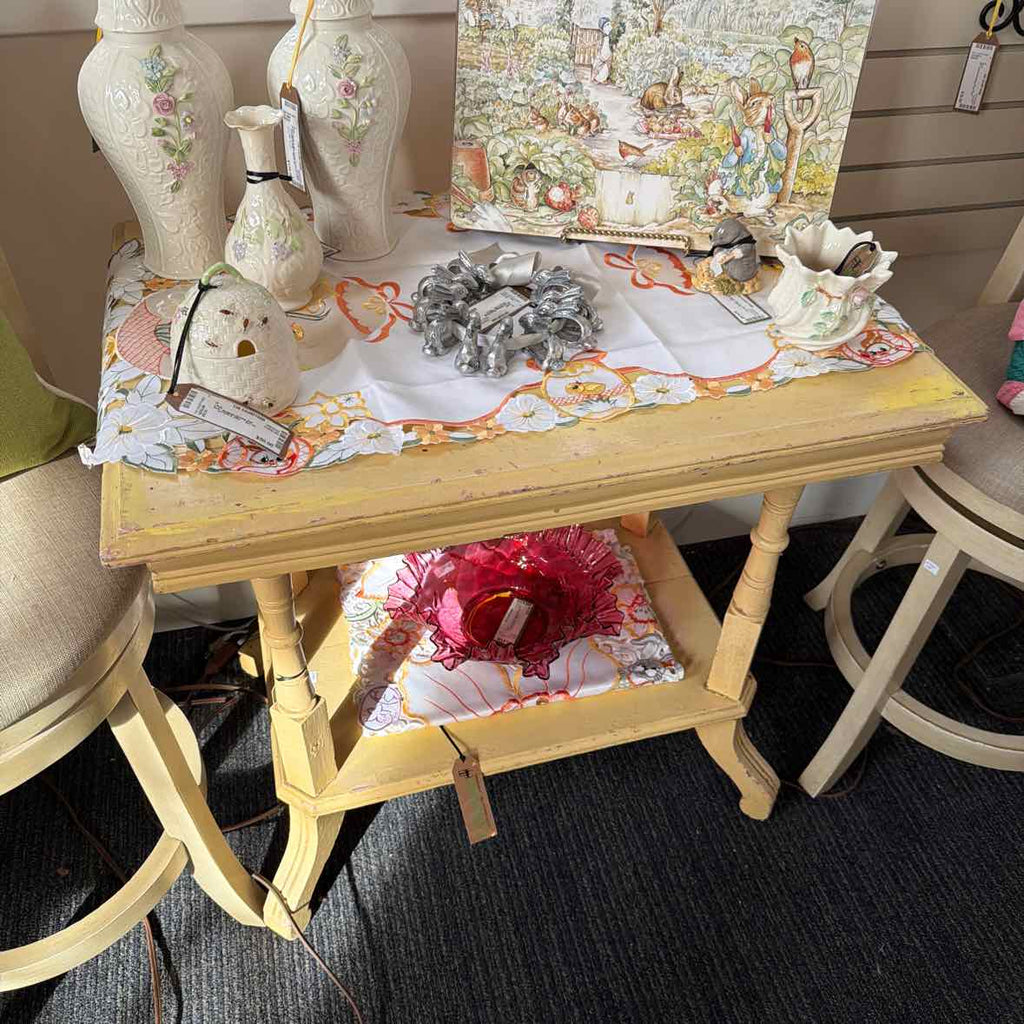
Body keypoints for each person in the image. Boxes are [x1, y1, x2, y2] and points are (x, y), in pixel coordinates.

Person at [592, 17, 613, 84]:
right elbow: (604, 54)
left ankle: (602, 78)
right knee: (605, 65)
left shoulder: (610, 37)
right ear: (602, 30)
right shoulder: (605, 39)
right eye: (606, 25)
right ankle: (599, 78)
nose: (609, 27)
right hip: (602, 62)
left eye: (609, 24)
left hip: (605, 59)